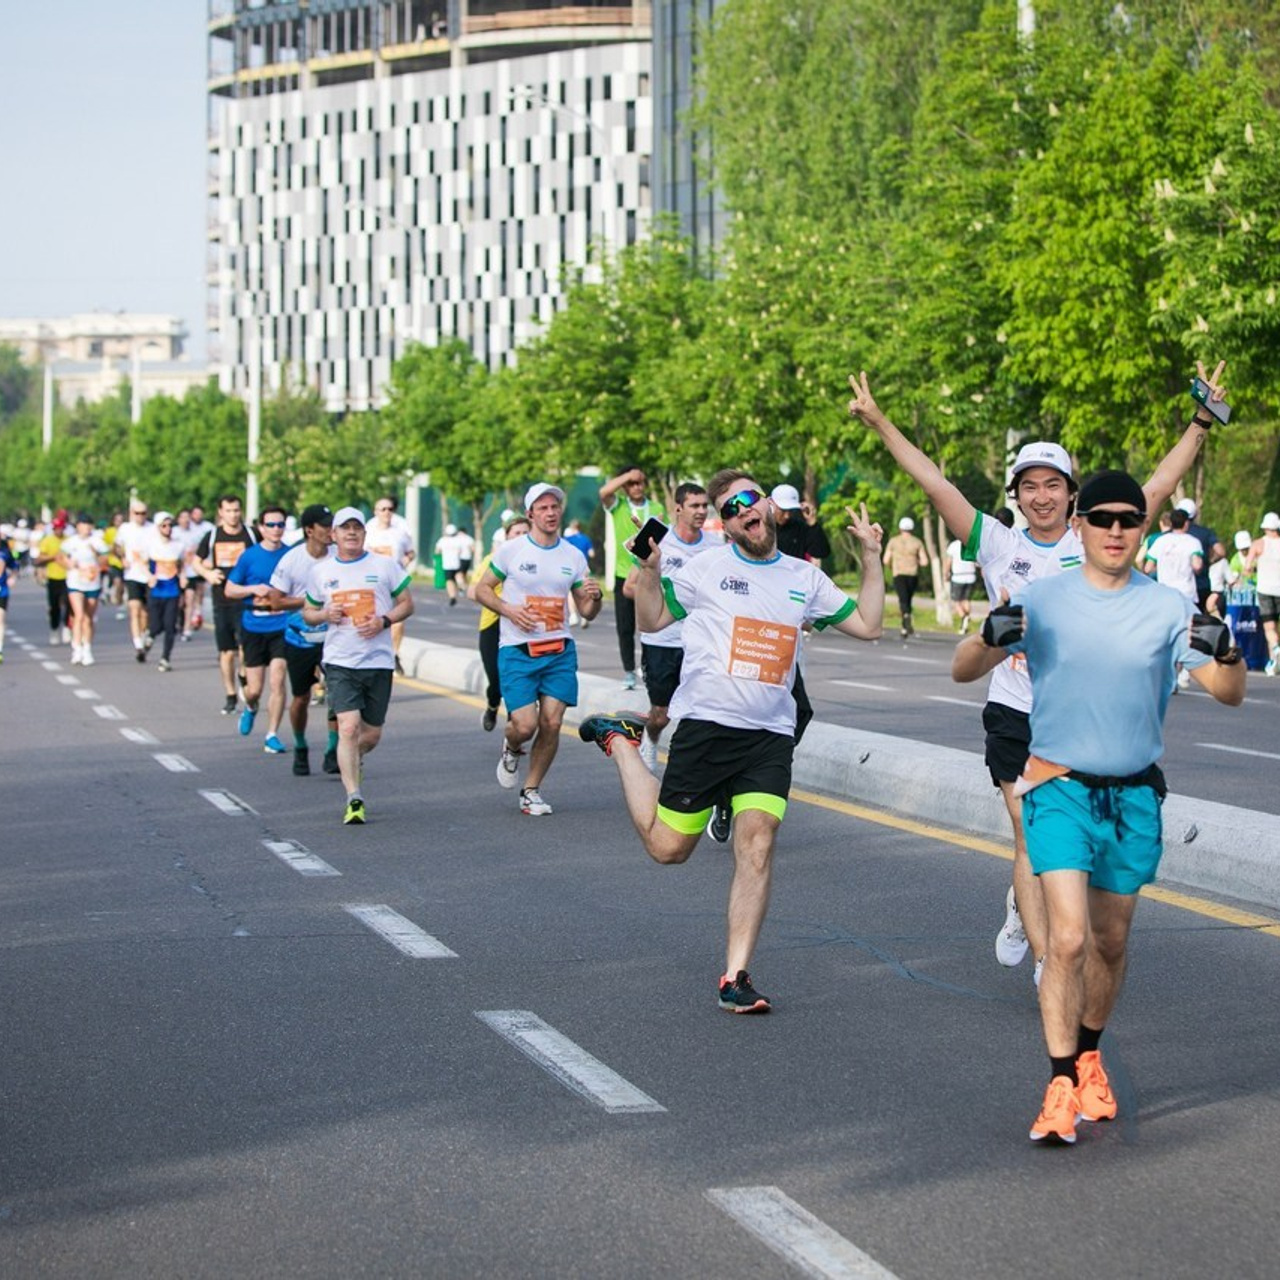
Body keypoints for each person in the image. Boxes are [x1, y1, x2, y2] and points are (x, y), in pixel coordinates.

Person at [849, 363, 1224, 993]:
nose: (1043, 495)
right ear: (1015, 494)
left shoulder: (1098, 536)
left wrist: (1202, 419)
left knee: (1078, 849)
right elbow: (933, 480)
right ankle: (1054, 964)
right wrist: (881, 420)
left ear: (1073, 494)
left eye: (1055, 484)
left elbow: (1160, 482)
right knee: (1029, 838)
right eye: (1031, 486)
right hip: (1016, 712)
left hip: (1083, 720)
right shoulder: (996, 543)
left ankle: (1029, 911)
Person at [956, 469, 1245, 1143]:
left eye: (1130, 519)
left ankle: (1089, 1053)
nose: (1116, 529)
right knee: (1068, 939)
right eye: (1104, 518)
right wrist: (990, 632)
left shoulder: (1168, 608)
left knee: (1110, 942)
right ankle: (1059, 1084)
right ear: (1080, 524)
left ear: (1143, 528)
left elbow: (1227, 691)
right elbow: (964, 670)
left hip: (1134, 794)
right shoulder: (1044, 599)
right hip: (1057, 786)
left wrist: (1227, 648)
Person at [578, 470, 885, 1014]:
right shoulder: (705, 568)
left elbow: (868, 625)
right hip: (707, 728)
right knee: (668, 849)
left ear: (767, 506)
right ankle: (623, 743)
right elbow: (651, 619)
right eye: (732, 506)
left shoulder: (803, 578)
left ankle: (735, 975)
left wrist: (871, 558)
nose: (746, 508)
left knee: (758, 844)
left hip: (769, 735)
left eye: (752, 497)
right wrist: (646, 570)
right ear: (726, 523)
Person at [474, 482, 603, 816]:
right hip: (518, 649)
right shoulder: (511, 551)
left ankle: (531, 790)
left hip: (559, 650)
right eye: (543, 508)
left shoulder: (572, 555)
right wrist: (509, 609)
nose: (550, 513)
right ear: (530, 514)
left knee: (553, 723)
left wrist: (595, 597)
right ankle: (512, 745)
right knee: (526, 726)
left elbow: (586, 611)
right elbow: (481, 589)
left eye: (555, 507)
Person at [302, 506, 415, 825]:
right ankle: (354, 798)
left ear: (364, 534)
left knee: (371, 735)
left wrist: (383, 621)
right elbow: (307, 612)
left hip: (378, 661)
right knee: (348, 728)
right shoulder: (321, 572)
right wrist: (324, 615)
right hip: (340, 661)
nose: (351, 532)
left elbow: (407, 603)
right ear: (333, 535)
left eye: (357, 528)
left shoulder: (384, 565)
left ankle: (352, 759)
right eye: (344, 528)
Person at [628, 482, 722, 771]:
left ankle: (694, 765)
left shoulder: (715, 546)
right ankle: (650, 736)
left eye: (705, 505)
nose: (701, 511)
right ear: (678, 508)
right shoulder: (660, 542)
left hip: (700, 643)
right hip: (662, 641)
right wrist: (670, 592)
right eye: (694, 506)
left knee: (703, 710)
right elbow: (631, 588)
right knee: (661, 714)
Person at [267, 503, 337, 776]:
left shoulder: (337, 557)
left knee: (337, 694)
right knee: (300, 697)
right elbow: (275, 600)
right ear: (310, 530)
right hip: (299, 638)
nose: (331, 531)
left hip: (333, 637)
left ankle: (333, 750)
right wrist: (311, 601)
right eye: (325, 526)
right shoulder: (292, 559)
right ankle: (300, 745)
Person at [224, 505, 293, 753]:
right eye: (271, 525)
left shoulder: (292, 555)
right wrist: (254, 589)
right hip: (254, 624)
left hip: (282, 624)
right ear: (261, 528)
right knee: (255, 689)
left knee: (278, 681)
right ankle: (251, 706)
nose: (276, 529)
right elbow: (230, 589)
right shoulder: (249, 556)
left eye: (280, 524)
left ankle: (272, 734)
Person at [599, 465, 666, 689]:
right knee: (625, 627)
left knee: (650, 625)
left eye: (640, 482)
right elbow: (604, 493)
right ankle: (628, 672)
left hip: (647, 575)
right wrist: (627, 475)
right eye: (631, 484)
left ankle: (648, 669)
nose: (637, 487)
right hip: (622, 574)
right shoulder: (618, 506)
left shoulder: (656, 507)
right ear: (625, 487)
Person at [468, 513, 531, 732]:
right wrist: (498, 600)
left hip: (522, 626)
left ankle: (515, 727)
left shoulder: (536, 561)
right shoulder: (493, 560)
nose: (521, 537)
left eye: (525, 533)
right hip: (493, 625)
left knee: (516, 680)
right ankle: (493, 705)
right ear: (507, 536)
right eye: (516, 533)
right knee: (496, 680)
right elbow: (472, 590)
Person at [196, 494, 257, 715]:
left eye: (236, 510)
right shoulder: (212, 536)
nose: (233, 515)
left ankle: (244, 676)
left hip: (246, 600)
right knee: (226, 652)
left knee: (245, 649)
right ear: (220, 512)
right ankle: (230, 694)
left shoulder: (251, 534)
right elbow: (196, 561)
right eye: (229, 511)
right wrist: (207, 573)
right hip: (222, 601)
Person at [366, 497, 417, 667]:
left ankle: (394, 654)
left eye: (390, 509)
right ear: (376, 511)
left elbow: (411, 552)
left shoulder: (400, 532)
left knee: (398, 616)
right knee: (374, 616)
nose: (387, 512)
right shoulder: (368, 530)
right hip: (372, 582)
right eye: (383, 509)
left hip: (395, 580)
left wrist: (405, 560)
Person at [59, 513, 109, 665]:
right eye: (83, 525)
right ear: (78, 527)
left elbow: (105, 560)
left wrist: (96, 554)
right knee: (79, 615)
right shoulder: (70, 542)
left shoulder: (97, 542)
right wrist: (69, 564)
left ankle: (87, 648)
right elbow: (60, 557)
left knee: (89, 618)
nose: (86, 528)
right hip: (75, 582)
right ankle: (76, 649)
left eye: (88, 525)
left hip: (92, 582)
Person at [113, 500, 154, 662]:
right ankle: (138, 645)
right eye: (137, 513)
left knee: (146, 612)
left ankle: (144, 636)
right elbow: (116, 546)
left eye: (143, 513)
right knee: (134, 608)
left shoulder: (152, 529)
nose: (140, 516)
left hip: (149, 575)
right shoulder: (125, 529)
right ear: (131, 513)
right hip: (132, 574)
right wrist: (122, 557)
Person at [144, 512, 185, 671]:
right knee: (156, 626)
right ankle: (149, 638)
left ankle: (165, 658)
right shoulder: (151, 545)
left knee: (170, 626)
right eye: (164, 526)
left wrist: (182, 577)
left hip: (172, 590)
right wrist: (149, 576)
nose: (168, 529)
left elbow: (181, 565)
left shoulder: (178, 546)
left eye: (170, 525)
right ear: (157, 527)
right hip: (156, 590)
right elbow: (141, 563)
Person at [1245, 510, 1280, 675]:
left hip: (1265, 588)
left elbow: (1247, 567)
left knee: (1269, 627)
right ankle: (1274, 662)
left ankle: (1275, 651)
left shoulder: (1258, 544)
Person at [1175, 497, 1224, 611]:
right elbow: (1221, 551)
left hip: (1177, 585)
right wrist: (1211, 560)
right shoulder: (1205, 532)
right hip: (1202, 583)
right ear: (1195, 514)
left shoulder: (1170, 535)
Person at [883, 516, 929, 638]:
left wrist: (892, 566)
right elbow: (925, 562)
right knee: (908, 600)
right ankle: (905, 624)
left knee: (902, 600)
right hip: (912, 574)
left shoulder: (893, 541)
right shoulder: (917, 542)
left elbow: (885, 559)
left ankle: (905, 620)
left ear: (900, 528)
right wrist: (915, 561)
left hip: (898, 573)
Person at [769, 484, 833, 564]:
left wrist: (813, 523)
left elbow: (821, 552)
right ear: (771, 504)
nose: (787, 516)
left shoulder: (799, 527)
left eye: (791, 510)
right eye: (783, 510)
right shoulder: (761, 527)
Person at [33, 512, 70, 645]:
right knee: (55, 606)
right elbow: (39, 558)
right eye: (57, 528)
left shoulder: (68, 540)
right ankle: (54, 629)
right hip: (53, 577)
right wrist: (53, 557)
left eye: (61, 528)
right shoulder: (48, 540)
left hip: (68, 577)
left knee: (68, 604)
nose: (59, 531)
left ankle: (67, 627)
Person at [944, 532, 978, 633]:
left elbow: (948, 562)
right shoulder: (971, 546)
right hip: (971, 575)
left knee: (956, 601)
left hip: (958, 576)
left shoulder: (953, 546)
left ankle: (964, 617)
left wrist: (945, 573)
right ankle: (967, 618)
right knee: (966, 600)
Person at [563, 518, 595, 627]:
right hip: (584, 568)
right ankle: (584, 616)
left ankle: (573, 615)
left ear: (572, 528)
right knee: (585, 591)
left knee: (572, 592)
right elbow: (592, 553)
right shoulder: (586, 539)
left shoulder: (568, 539)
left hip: (570, 568)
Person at [0, 532, 17, 661]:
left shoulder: (5, 551)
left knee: (1, 619)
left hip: (2, 589)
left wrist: (12, 577)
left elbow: (14, 565)